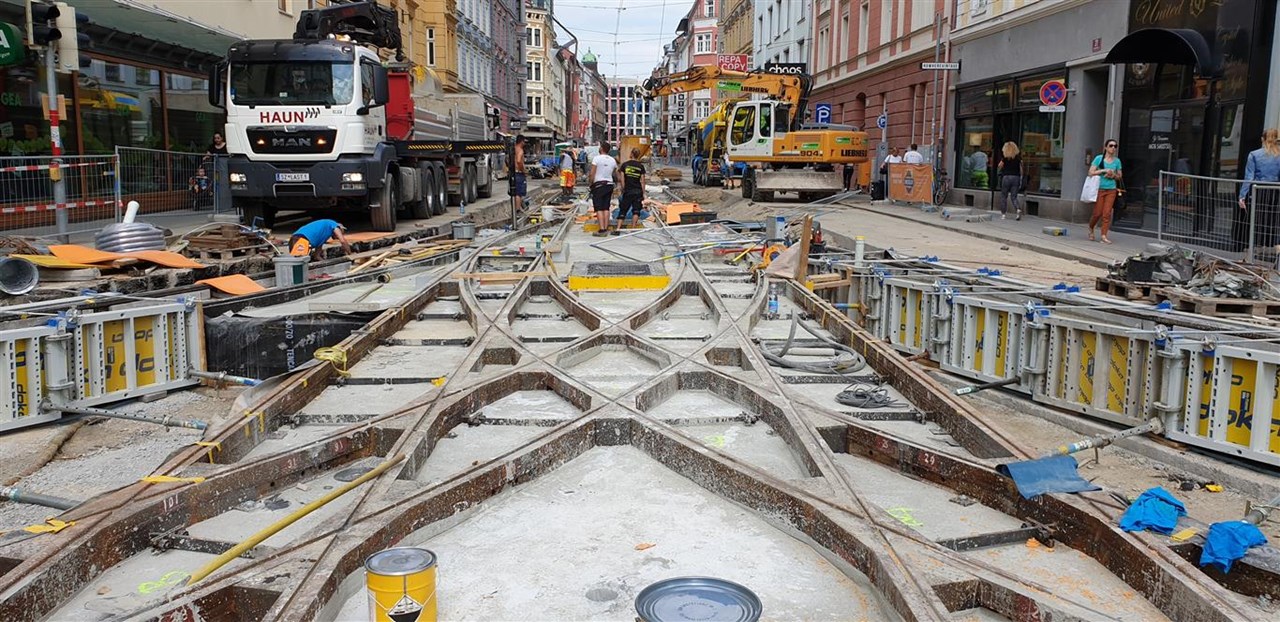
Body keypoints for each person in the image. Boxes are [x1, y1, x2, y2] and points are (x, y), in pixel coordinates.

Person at [1237, 128, 1280, 253]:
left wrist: (1242, 195)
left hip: (1259, 190)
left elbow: (1249, 177)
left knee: (1258, 217)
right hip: (1276, 190)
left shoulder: (1254, 155)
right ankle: (1276, 246)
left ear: (1262, 139)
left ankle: (1257, 246)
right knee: (1275, 219)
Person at [1087, 139, 1123, 244]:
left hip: (1111, 189)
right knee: (1097, 213)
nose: (1113, 148)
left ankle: (1104, 236)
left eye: (1115, 146)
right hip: (1099, 188)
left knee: (1107, 213)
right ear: (1106, 147)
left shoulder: (1117, 161)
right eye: (1111, 146)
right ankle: (1091, 227)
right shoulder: (1099, 158)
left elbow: (1119, 176)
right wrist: (1104, 170)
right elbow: (1090, 172)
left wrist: (1113, 175)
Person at [588, 140, 620, 237]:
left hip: (598, 185)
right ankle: (606, 227)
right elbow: (616, 173)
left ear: (601, 148)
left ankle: (602, 229)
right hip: (609, 185)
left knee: (599, 207)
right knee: (606, 207)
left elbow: (592, 173)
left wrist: (590, 183)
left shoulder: (596, 159)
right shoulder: (612, 160)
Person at [616, 148, 647, 233]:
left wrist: (623, 189)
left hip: (628, 190)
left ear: (631, 154)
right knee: (636, 210)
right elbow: (642, 181)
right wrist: (643, 193)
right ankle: (633, 228)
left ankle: (618, 228)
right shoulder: (640, 166)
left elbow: (622, 179)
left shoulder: (625, 165)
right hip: (638, 191)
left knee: (623, 209)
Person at [996, 141, 1024, 220]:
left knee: (1004, 196)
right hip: (1016, 177)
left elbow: (999, 166)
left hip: (1006, 177)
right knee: (1014, 196)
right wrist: (1021, 178)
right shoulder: (1019, 159)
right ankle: (1018, 209)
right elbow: (1021, 170)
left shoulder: (1005, 159)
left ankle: (1003, 214)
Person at [510, 135, 528, 214]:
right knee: (519, 193)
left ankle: (515, 209)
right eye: (524, 141)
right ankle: (517, 210)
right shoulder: (520, 150)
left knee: (514, 192)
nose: (524, 143)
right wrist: (522, 170)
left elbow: (507, 160)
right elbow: (518, 161)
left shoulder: (513, 149)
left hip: (513, 173)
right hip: (519, 173)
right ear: (521, 141)